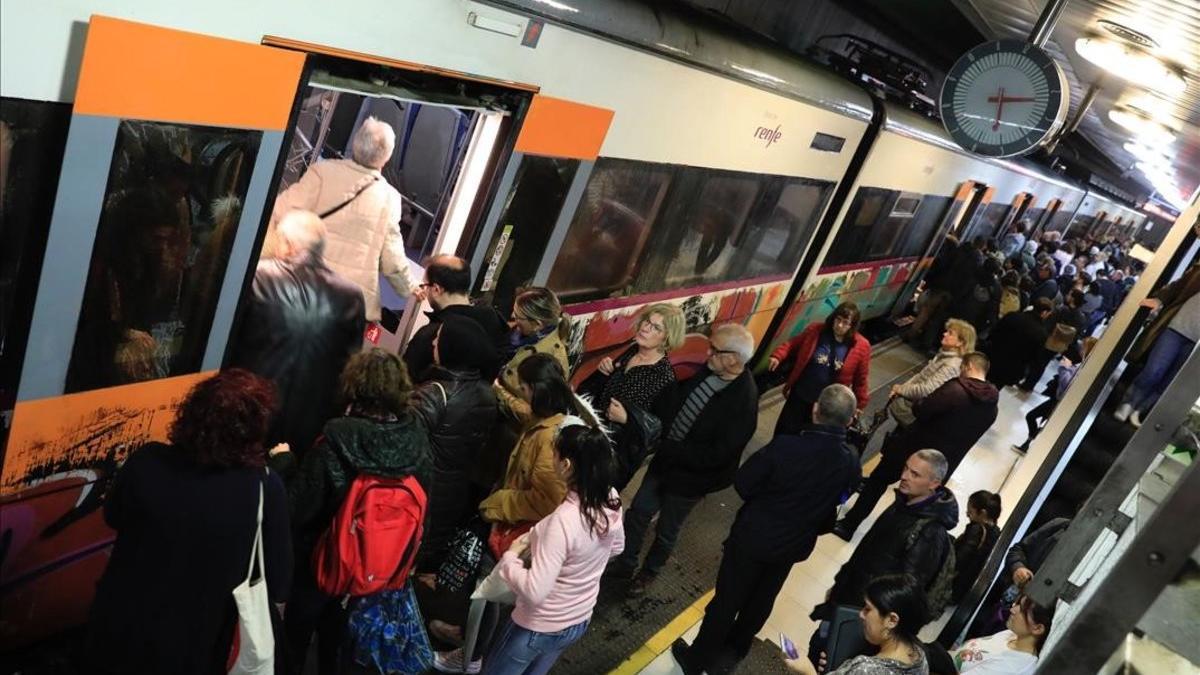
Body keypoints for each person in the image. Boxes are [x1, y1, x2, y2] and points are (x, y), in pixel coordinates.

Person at [85, 370, 293, 675]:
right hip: (197, 645)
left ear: (191, 412)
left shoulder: (147, 461)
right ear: (254, 430)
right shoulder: (265, 488)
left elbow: (113, 516)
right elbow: (279, 580)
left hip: (119, 624)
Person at [672, 384, 861, 675]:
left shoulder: (786, 446)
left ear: (815, 410)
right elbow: (838, 502)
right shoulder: (850, 463)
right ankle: (732, 654)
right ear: (850, 421)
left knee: (726, 601)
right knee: (761, 601)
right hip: (792, 546)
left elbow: (744, 483)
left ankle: (697, 660)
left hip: (752, 538)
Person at [268, 349, 432, 674]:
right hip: (375, 570)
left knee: (295, 641)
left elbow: (296, 508)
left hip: (321, 564)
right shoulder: (416, 442)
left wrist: (284, 462)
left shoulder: (337, 438)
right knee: (341, 643)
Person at [435, 353, 582, 674]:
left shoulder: (547, 441)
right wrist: (500, 392)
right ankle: (470, 642)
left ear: (535, 390)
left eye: (523, 388)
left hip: (517, 531)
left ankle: (471, 657)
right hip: (516, 527)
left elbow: (546, 499)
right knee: (488, 598)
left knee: (488, 597)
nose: (522, 394)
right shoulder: (553, 417)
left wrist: (498, 503)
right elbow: (524, 414)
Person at [607, 324, 759, 597]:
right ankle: (626, 561)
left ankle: (648, 573)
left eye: (715, 349)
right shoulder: (710, 370)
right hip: (665, 462)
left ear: (734, 359)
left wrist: (668, 448)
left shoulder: (744, 402)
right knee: (639, 512)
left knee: (666, 530)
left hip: (691, 479)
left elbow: (716, 455)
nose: (707, 352)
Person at [483, 424, 625, 675]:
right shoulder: (609, 497)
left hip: (538, 626)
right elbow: (617, 547)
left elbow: (535, 591)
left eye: (555, 454)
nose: (551, 459)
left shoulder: (563, 521)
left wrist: (510, 559)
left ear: (567, 465)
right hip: (578, 618)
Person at [229, 209, 365, 458]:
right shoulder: (352, 296)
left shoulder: (257, 275)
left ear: (287, 244)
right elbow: (350, 370)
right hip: (309, 427)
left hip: (247, 412)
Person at [269, 116, 417, 322]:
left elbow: (280, 210)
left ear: (356, 144)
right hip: (348, 304)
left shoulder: (323, 172)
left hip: (305, 286)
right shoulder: (389, 197)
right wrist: (410, 288)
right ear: (386, 157)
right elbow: (392, 259)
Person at [815, 450, 957, 656]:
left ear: (934, 484)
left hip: (864, 618)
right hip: (849, 601)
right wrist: (840, 585)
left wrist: (869, 614)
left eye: (915, 474)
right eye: (906, 468)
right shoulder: (903, 503)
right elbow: (866, 553)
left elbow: (905, 589)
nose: (905, 476)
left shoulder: (930, 533)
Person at [837, 355, 994, 539]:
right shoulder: (992, 409)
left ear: (968, 366)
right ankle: (887, 541)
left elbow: (922, 409)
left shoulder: (955, 389)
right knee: (911, 506)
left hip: (912, 449)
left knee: (877, 482)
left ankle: (849, 526)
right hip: (940, 467)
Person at [410, 315, 501, 573]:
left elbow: (403, 443)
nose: (434, 342)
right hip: (453, 493)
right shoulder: (487, 393)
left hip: (422, 491)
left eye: (440, 338)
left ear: (453, 348)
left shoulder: (435, 394)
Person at [578, 303, 683, 489]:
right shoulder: (631, 352)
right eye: (647, 321)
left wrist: (628, 420)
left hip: (612, 462)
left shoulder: (665, 380)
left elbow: (659, 434)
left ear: (667, 337)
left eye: (656, 327)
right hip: (589, 443)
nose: (645, 328)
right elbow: (598, 391)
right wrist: (603, 372)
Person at [482, 288, 573, 491]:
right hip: (489, 418)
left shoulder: (552, 361)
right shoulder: (520, 334)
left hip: (507, 437)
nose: (513, 318)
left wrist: (498, 390)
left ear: (538, 324)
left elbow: (535, 415)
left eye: (519, 316)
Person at [788, 574, 930, 675]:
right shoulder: (919, 656)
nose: (861, 614)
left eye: (868, 609)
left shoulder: (865, 669)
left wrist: (807, 670)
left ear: (892, 620)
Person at [1114, 261, 1200, 427]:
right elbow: (1178, 285)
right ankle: (1129, 402)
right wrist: (1159, 298)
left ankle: (1141, 410)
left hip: (1196, 345)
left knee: (1170, 382)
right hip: (1178, 326)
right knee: (1154, 370)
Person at [768, 302, 872, 436]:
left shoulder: (861, 346)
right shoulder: (816, 331)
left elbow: (861, 379)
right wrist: (778, 356)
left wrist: (859, 404)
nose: (840, 325)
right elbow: (793, 343)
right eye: (838, 320)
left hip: (826, 406)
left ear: (852, 325)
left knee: (809, 438)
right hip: (801, 395)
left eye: (845, 322)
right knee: (784, 431)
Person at [403, 255, 509, 383]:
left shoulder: (431, 335)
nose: (424, 289)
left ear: (436, 289)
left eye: (425, 285)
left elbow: (404, 382)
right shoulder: (493, 320)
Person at [1015, 337, 1098, 453]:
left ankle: (1030, 441)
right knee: (1037, 419)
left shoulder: (1084, 368)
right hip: (1059, 400)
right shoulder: (1083, 365)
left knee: (1032, 416)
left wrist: (1064, 368)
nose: (1081, 349)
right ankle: (1028, 442)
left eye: (1084, 347)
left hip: (1059, 402)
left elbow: (1066, 384)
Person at [887, 319, 975, 428]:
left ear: (960, 342)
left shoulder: (952, 365)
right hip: (915, 402)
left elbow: (927, 390)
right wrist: (902, 388)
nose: (944, 334)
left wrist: (900, 390)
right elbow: (921, 376)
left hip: (919, 412)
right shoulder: (944, 355)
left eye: (950, 333)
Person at [953, 596, 1053, 674]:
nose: (1013, 610)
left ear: (1037, 628)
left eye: (1022, 611)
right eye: (1018, 604)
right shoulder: (1011, 634)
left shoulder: (1014, 666)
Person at [985, 299, 1053, 388]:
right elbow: (1035, 358)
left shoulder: (1012, 316)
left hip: (992, 358)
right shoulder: (1041, 334)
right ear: (1044, 313)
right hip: (1012, 370)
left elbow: (993, 333)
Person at [952, 491, 1002, 604]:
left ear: (983, 513)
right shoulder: (997, 534)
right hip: (970, 592)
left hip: (956, 586)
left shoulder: (976, 530)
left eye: (970, 512)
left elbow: (960, 559)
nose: (967, 515)